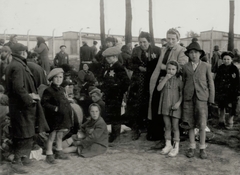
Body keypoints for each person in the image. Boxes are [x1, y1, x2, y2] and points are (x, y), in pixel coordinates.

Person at [5, 43, 44, 174]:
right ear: (22, 52)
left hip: (19, 106)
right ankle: (17, 161)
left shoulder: (16, 64)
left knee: (25, 132)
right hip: (22, 106)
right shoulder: (18, 66)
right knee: (24, 134)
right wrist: (29, 98)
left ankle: (24, 158)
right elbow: (18, 88)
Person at [149, 28, 188, 148]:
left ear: (178, 39)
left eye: (173, 39)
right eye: (168, 39)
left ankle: (174, 138)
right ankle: (164, 138)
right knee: (160, 107)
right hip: (161, 80)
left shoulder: (182, 50)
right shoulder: (164, 49)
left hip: (173, 83)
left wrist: (164, 67)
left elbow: (182, 67)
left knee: (172, 111)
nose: (170, 41)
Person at [181, 40, 214, 159]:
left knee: (202, 124)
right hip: (188, 99)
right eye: (191, 53)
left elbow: (210, 83)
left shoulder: (206, 66)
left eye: (196, 52)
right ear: (188, 54)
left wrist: (211, 99)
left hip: (202, 99)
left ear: (200, 54)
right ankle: (192, 147)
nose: (193, 55)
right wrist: (182, 98)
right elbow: (183, 82)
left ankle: (202, 148)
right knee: (189, 124)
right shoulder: (185, 67)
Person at [126, 32, 161, 141]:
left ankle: (148, 127)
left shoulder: (156, 50)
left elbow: (159, 64)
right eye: (140, 42)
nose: (142, 44)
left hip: (151, 79)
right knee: (137, 103)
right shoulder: (136, 50)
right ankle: (136, 128)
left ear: (149, 41)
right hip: (139, 81)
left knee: (150, 103)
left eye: (144, 42)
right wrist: (139, 68)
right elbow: (130, 64)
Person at [41, 68, 73, 164]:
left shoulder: (62, 89)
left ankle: (59, 151)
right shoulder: (48, 90)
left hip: (62, 117)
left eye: (60, 77)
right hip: (53, 117)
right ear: (51, 79)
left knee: (60, 135)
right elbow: (44, 103)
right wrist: (54, 108)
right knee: (52, 136)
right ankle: (49, 154)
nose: (58, 79)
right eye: (56, 77)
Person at [101, 47, 130, 143]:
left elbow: (126, 82)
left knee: (115, 116)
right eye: (106, 57)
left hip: (115, 96)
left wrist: (118, 92)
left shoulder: (119, 67)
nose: (107, 59)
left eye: (109, 57)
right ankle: (114, 134)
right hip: (110, 95)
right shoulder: (110, 67)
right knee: (112, 115)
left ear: (114, 57)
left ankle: (115, 136)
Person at [157, 61, 183, 157]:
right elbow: (159, 89)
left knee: (175, 127)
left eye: (173, 69)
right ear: (166, 69)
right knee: (167, 126)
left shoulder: (179, 81)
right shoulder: (162, 79)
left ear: (177, 70)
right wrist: (165, 79)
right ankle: (168, 145)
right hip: (165, 105)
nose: (171, 71)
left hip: (175, 106)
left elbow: (182, 95)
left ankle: (176, 147)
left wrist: (178, 104)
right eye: (169, 69)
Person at [214, 51, 240, 129]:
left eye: (228, 59)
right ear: (222, 60)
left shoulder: (234, 69)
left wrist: (237, 91)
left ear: (231, 60)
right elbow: (217, 79)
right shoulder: (220, 68)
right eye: (224, 59)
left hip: (232, 91)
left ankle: (230, 122)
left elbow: (237, 81)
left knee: (232, 107)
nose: (226, 61)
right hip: (222, 91)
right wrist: (217, 89)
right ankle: (221, 122)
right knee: (221, 106)